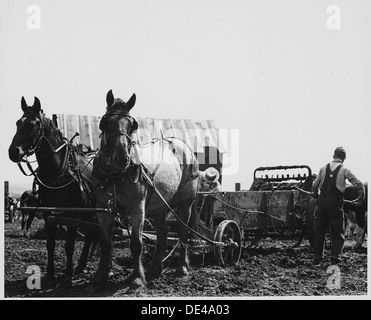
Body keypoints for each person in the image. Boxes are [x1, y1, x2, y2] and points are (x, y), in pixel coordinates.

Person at [311, 146, 364, 265]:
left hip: (322, 203)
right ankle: (334, 257)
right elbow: (359, 184)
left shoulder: (323, 168)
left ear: (333, 156)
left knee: (320, 230)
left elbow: (314, 185)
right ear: (344, 158)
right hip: (335, 204)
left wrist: (315, 194)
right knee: (337, 230)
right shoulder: (344, 170)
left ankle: (317, 257)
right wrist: (360, 197)